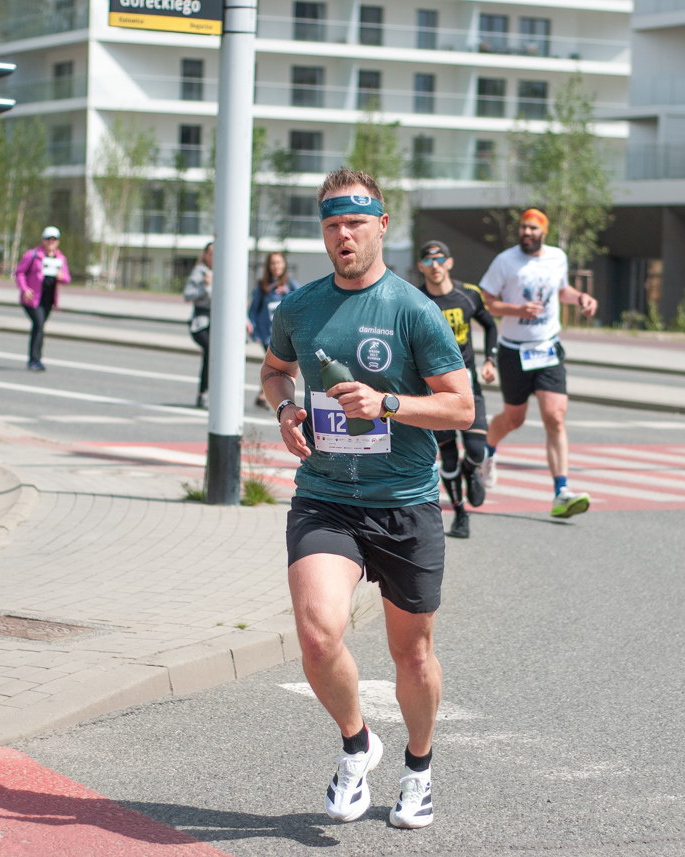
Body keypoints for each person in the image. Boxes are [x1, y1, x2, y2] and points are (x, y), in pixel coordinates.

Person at [261, 168, 472, 829]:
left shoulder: (414, 310)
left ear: (381, 225)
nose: (343, 235)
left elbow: (462, 407)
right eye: (332, 225)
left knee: (412, 653)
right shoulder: (299, 307)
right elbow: (274, 370)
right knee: (317, 634)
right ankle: (357, 745)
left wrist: (388, 403)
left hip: (405, 500)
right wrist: (285, 409)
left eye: (355, 222)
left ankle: (419, 769)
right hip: (326, 496)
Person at [478, 208, 597, 519]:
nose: (527, 233)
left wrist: (581, 298)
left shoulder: (557, 257)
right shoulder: (505, 261)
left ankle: (562, 492)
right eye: (523, 228)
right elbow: (486, 301)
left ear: (544, 232)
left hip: (547, 349)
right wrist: (516, 310)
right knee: (514, 419)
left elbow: (562, 290)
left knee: (555, 417)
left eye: (532, 228)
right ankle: (486, 451)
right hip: (514, 351)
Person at [416, 239, 497, 539]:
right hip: (434, 390)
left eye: (440, 259)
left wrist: (490, 360)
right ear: (421, 266)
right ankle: (461, 515)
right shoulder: (415, 299)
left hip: (468, 384)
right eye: (428, 260)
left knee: (476, 450)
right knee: (447, 457)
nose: (435, 265)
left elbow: (491, 325)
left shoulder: (469, 295)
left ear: (449, 263)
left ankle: (471, 471)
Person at [14, 226, 71, 371]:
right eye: (48, 239)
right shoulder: (32, 255)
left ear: (58, 241)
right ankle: (35, 360)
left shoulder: (60, 258)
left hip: (48, 300)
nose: (51, 242)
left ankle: (35, 359)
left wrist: (62, 277)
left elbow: (67, 278)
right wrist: (25, 289)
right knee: (39, 325)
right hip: (32, 299)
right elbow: (19, 273)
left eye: (54, 239)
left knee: (38, 327)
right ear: (43, 240)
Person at [248, 251, 299, 409]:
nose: (276, 266)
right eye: (273, 263)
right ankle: (268, 395)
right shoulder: (263, 286)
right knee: (273, 365)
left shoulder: (291, 285)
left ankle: (264, 394)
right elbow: (253, 310)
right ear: (268, 266)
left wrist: (287, 293)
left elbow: (301, 302)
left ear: (284, 265)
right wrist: (255, 331)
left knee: (281, 366)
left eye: (279, 262)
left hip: (285, 334)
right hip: (268, 335)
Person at [183, 242, 214, 408]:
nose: (214, 257)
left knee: (219, 355)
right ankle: (203, 393)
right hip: (201, 321)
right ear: (206, 255)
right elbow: (187, 295)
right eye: (211, 253)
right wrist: (204, 286)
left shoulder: (225, 271)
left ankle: (213, 392)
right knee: (210, 350)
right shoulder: (199, 272)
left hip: (218, 322)